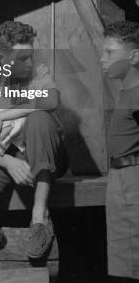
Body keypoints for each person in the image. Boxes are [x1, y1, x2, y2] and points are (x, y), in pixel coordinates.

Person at [0, 21, 68, 283]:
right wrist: (9, 162)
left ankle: (39, 214)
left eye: (30, 55)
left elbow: (52, 100)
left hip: (45, 153)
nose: (29, 63)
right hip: (6, 156)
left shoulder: (38, 73)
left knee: (40, 119)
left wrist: (2, 116)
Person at [100, 21, 139, 281]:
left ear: (134, 56)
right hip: (120, 180)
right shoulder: (127, 92)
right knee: (124, 263)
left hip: (133, 181)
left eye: (110, 52)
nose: (102, 59)